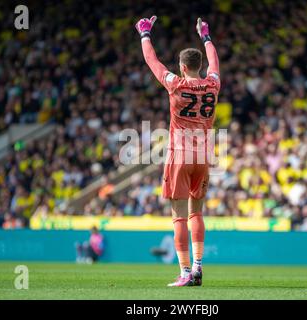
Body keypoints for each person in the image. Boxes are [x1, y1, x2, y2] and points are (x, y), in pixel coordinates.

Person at [136, 16, 220, 286]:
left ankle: (184, 271)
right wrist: (205, 36)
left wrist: (145, 34)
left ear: (183, 67)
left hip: (180, 155)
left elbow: (153, 62)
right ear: (199, 67)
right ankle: (197, 267)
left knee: (178, 216)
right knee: (197, 212)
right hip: (204, 156)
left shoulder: (176, 83)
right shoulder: (213, 84)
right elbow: (215, 63)